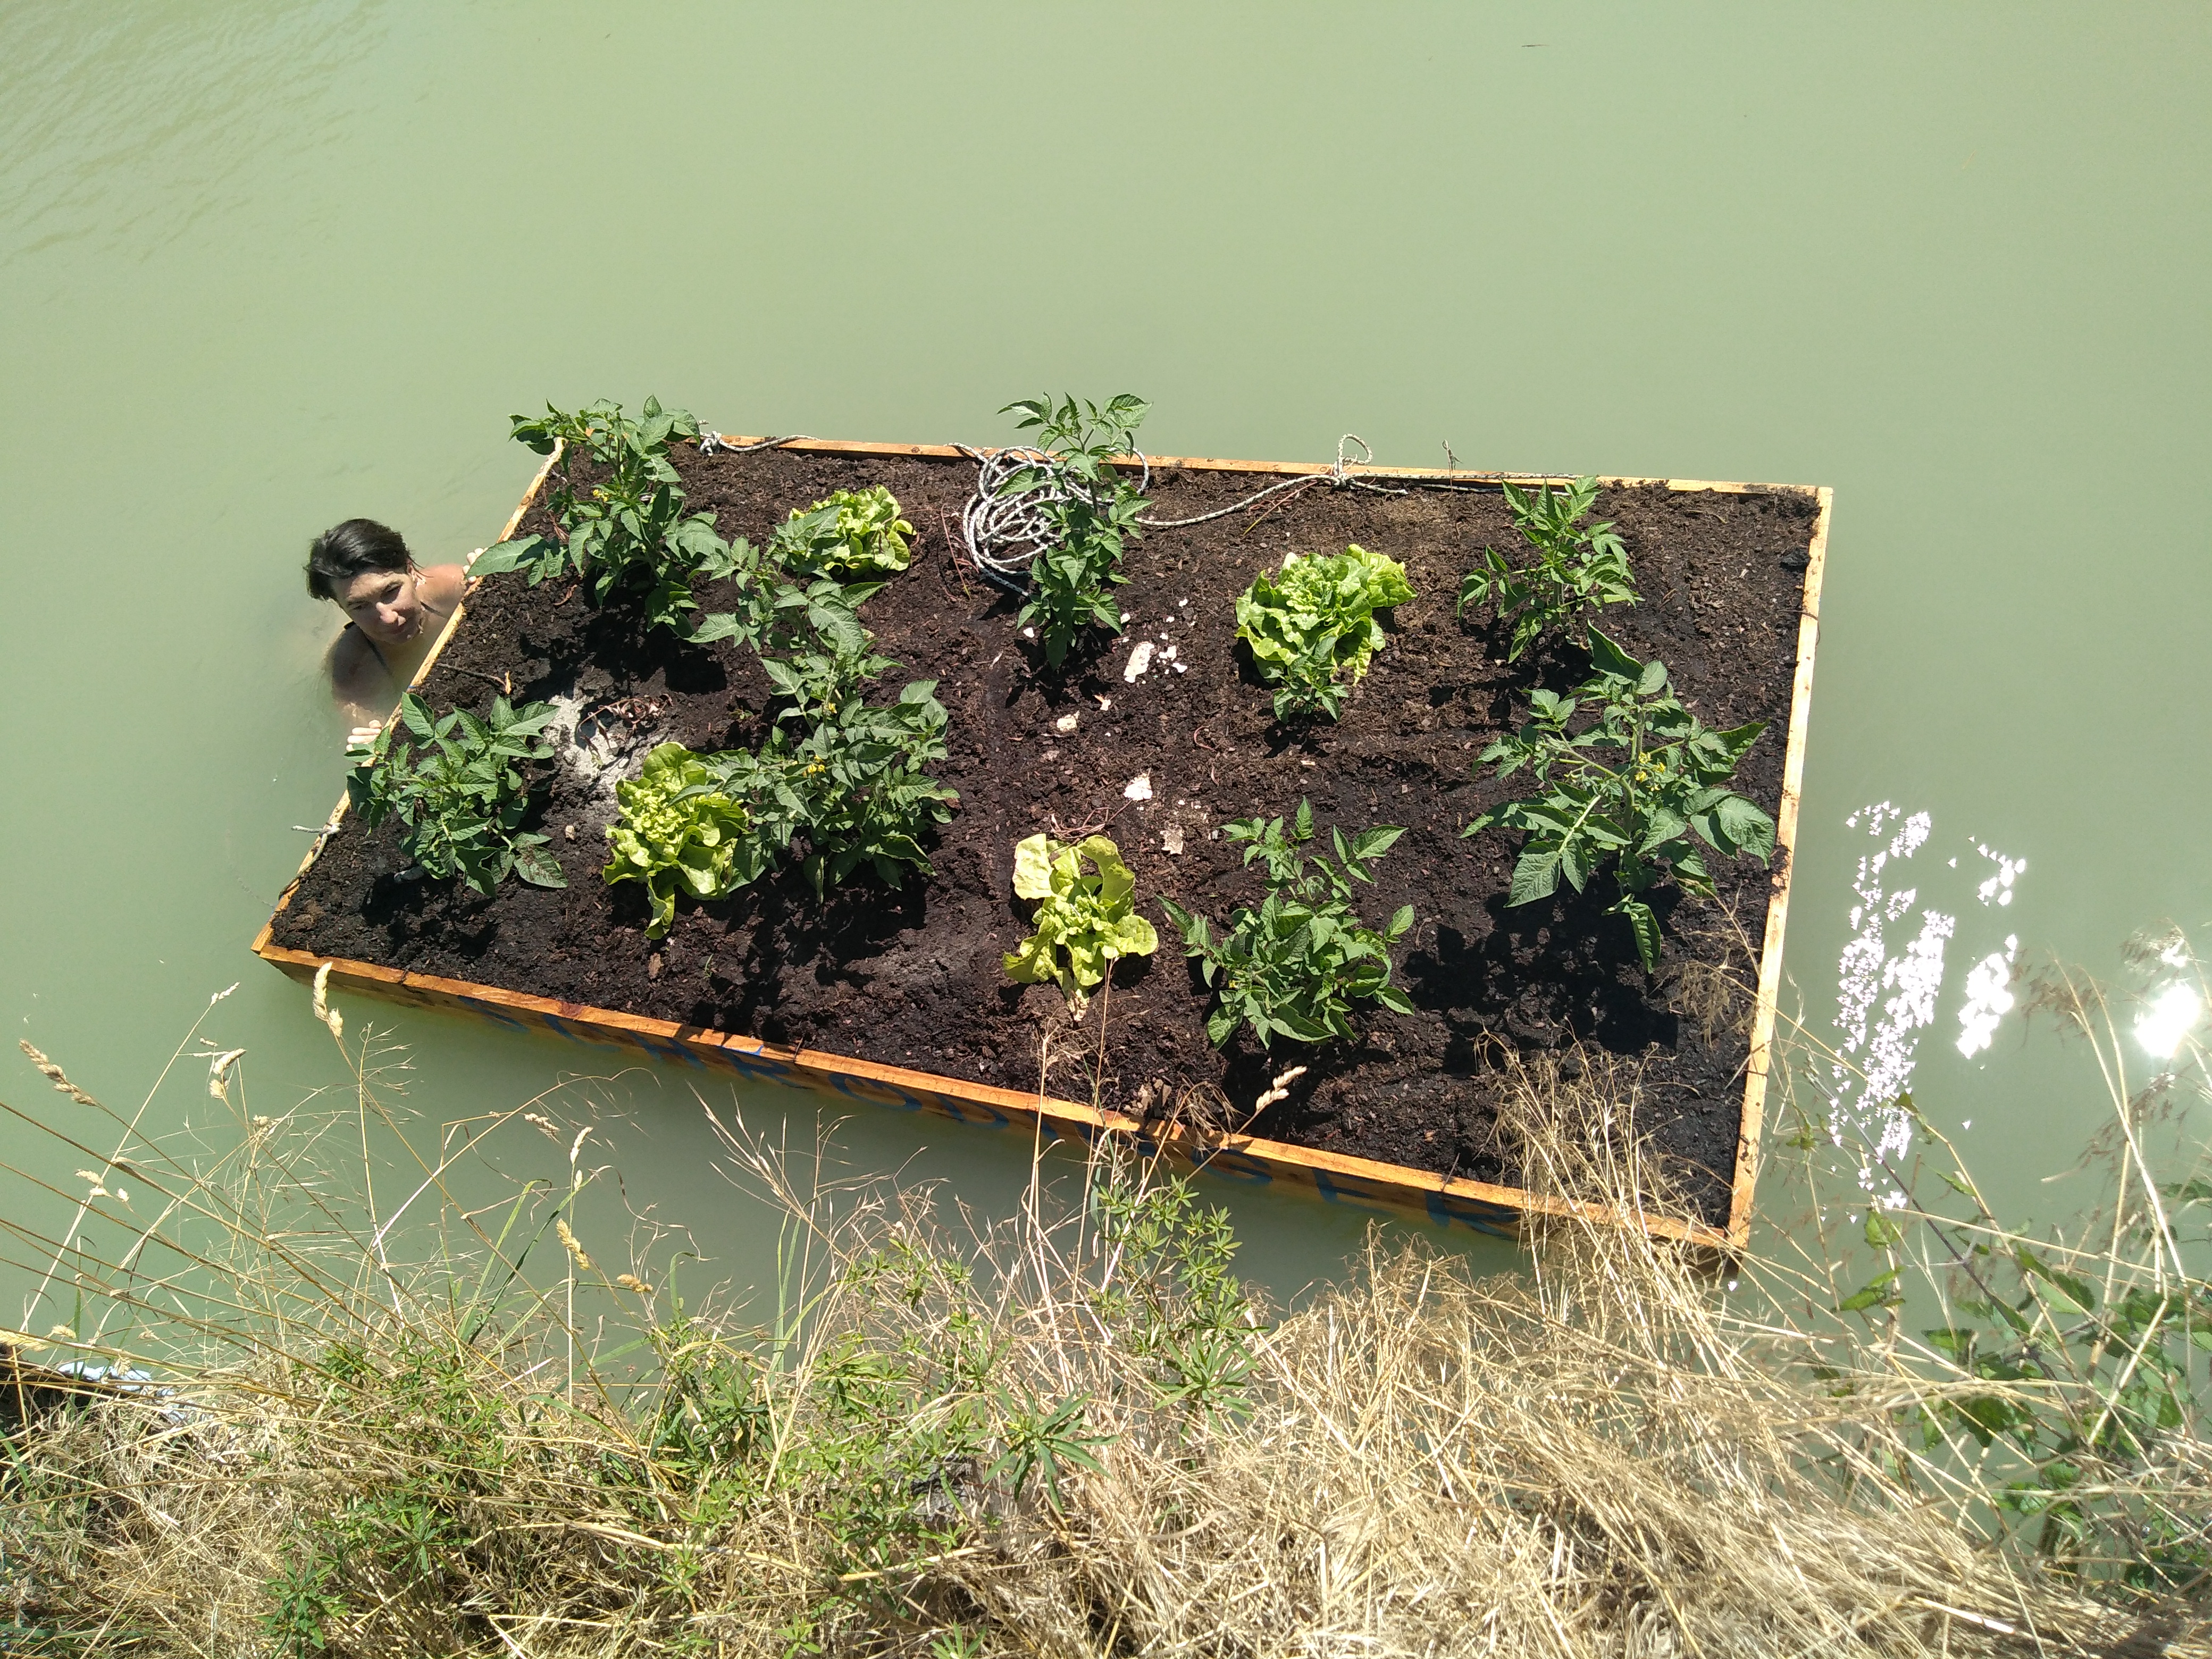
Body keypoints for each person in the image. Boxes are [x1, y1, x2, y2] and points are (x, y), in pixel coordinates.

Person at [306, 519, 468, 743]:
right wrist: (369, 742)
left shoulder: (450, 587)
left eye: (391, 591)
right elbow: (366, 733)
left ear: (411, 570)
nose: (389, 618)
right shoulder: (351, 669)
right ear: (342, 607)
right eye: (360, 606)